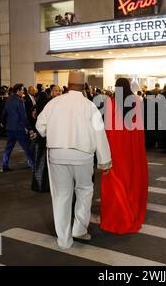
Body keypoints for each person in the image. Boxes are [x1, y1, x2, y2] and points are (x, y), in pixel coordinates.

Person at [36, 71, 112, 249]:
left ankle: (64, 240)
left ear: (68, 86)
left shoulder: (54, 103)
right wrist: (104, 161)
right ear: (83, 87)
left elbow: (40, 126)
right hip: (83, 155)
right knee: (84, 191)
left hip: (57, 154)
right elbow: (99, 133)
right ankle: (79, 229)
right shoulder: (89, 106)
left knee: (61, 196)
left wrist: (52, 133)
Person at [100, 78, 149, 234]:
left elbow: (107, 128)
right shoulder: (136, 101)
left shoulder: (111, 102)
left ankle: (118, 214)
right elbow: (140, 127)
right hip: (132, 149)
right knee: (131, 179)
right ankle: (131, 209)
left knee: (115, 180)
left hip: (115, 148)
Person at [0, 84, 35, 173]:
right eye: (22, 90)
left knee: (8, 148)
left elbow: (4, 112)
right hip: (19, 128)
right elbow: (23, 116)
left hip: (10, 127)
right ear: (18, 90)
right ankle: (33, 166)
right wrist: (30, 128)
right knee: (26, 147)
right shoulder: (20, 101)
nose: (23, 92)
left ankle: (4, 166)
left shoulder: (8, 100)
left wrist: (2, 122)